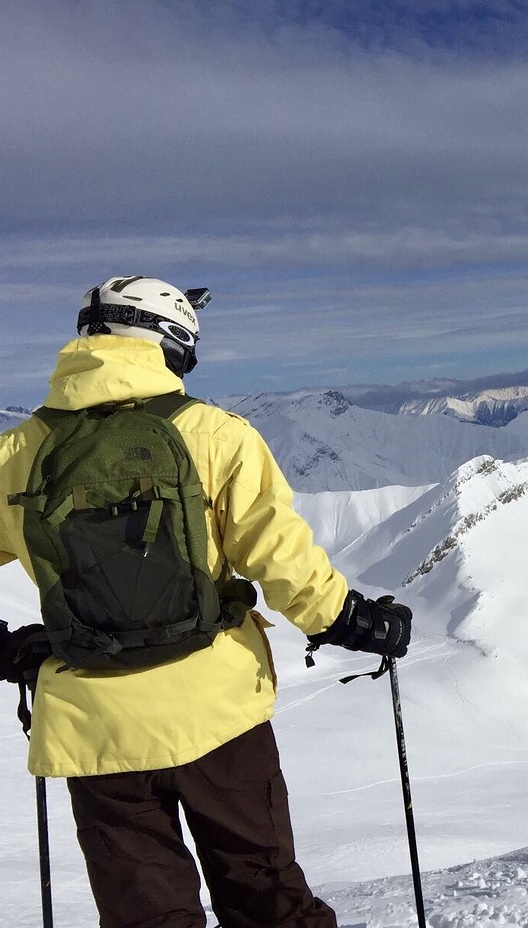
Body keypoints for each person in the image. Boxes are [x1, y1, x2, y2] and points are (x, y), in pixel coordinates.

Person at [0, 276, 412, 928]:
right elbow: (280, 559)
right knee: (265, 896)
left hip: (94, 729)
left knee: (149, 917)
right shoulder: (215, 434)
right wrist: (351, 620)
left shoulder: (17, 453)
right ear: (173, 347)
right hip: (216, 711)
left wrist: (6, 646)